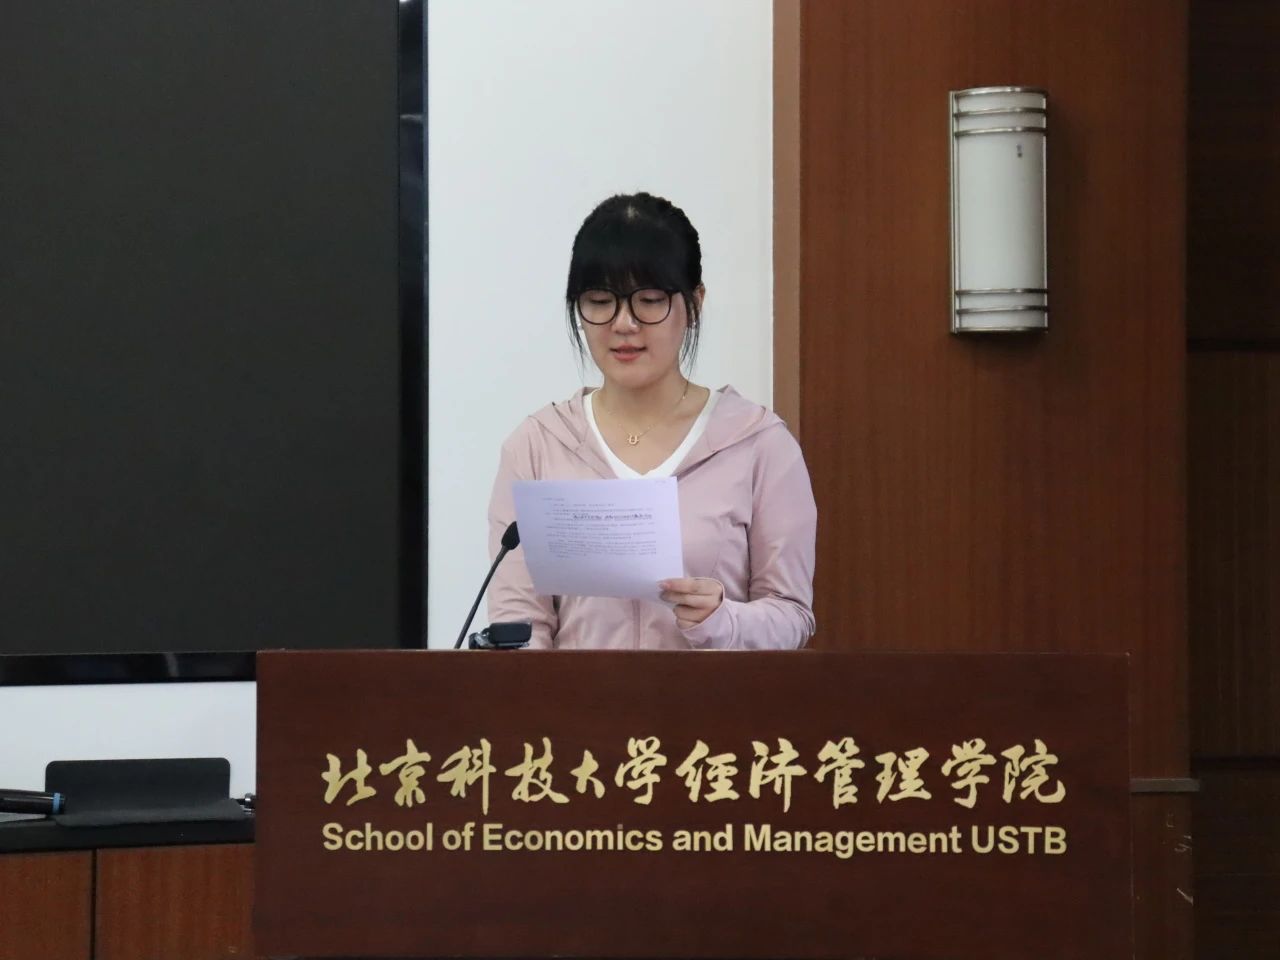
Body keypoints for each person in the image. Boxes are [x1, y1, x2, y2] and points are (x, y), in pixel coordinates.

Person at [487, 192, 816, 649]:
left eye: (650, 300)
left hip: (712, 698)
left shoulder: (758, 444)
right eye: (600, 300)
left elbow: (792, 615)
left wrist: (723, 620)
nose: (624, 323)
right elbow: (519, 623)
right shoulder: (537, 446)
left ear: (695, 303)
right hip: (577, 698)